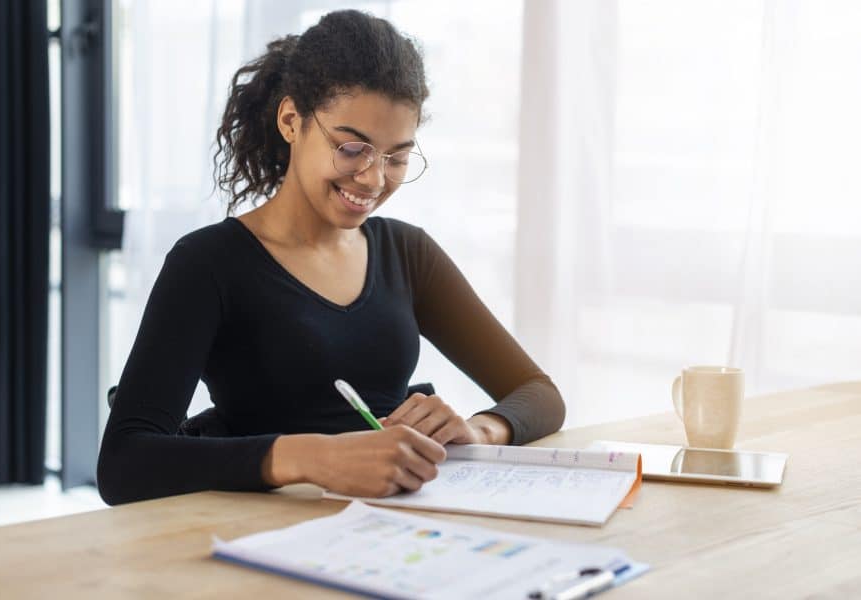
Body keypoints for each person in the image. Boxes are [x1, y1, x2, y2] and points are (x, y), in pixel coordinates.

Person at [96, 9, 565, 506]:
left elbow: (539, 393)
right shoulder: (207, 263)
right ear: (291, 120)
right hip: (259, 538)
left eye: (397, 157)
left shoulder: (408, 253)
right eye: (351, 148)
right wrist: (312, 458)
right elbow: (125, 463)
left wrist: (481, 430)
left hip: (392, 529)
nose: (373, 178)